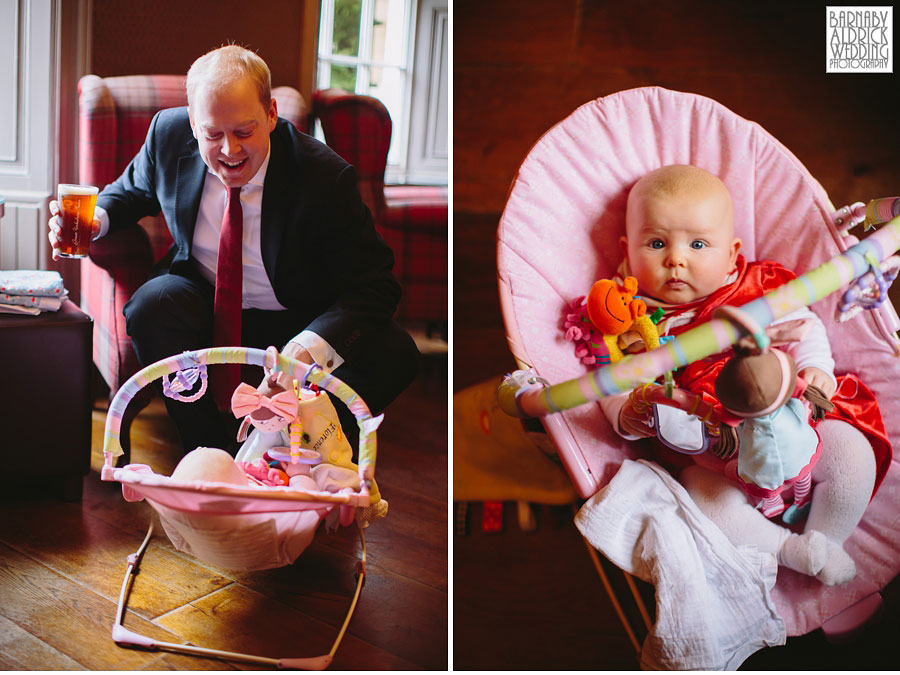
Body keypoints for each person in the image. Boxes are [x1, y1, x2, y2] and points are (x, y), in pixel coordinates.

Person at [49, 46, 419, 453]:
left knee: (397, 353)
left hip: (295, 318)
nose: (229, 150)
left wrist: (303, 351)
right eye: (213, 134)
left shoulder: (324, 178)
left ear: (272, 114)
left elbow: (377, 287)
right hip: (204, 306)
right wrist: (94, 220)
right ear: (192, 122)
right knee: (151, 306)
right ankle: (205, 448)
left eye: (245, 131)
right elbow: (129, 192)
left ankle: (293, 444)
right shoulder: (167, 135)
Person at [599, 164, 891, 586]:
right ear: (627, 252)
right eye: (657, 242)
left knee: (851, 453)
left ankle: (828, 541)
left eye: (698, 244)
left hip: (794, 419)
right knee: (703, 501)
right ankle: (790, 551)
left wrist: (816, 368)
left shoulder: (756, 286)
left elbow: (804, 326)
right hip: (715, 456)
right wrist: (625, 414)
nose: (676, 258)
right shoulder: (633, 326)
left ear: (732, 251)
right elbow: (613, 381)